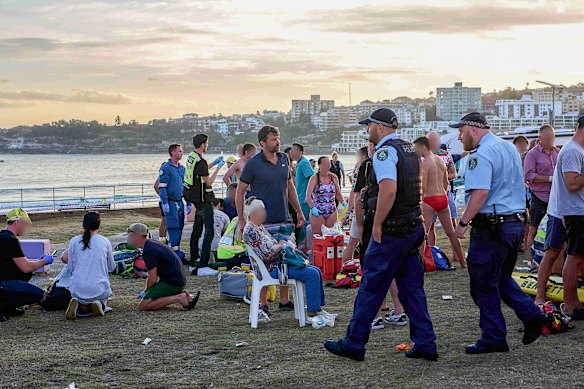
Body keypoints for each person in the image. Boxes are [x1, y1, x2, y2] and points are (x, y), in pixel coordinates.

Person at [325, 108, 437, 362]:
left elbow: (388, 190)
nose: (367, 131)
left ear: (381, 127)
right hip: (412, 226)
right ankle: (425, 343)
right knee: (412, 289)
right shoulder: (409, 150)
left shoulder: (384, 153)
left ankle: (354, 343)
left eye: (370, 126)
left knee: (371, 288)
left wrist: (376, 224)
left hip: (392, 231)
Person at [452, 112, 547, 354]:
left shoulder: (480, 154)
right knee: (500, 277)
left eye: (461, 131)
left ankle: (495, 335)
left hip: (492, 225)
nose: (459, 137)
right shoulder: (508, 148)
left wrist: (462, 223)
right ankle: (529, 315)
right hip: (513, 223)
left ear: (473, 130)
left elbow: (480, 193)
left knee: (483, 282)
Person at [236, 125, 306, 315]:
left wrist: (299, 211)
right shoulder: (253, 163)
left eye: (278, 137)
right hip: (262, 223)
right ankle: (263, 303)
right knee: (263, 262)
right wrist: (243, 221)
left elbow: (290, 186)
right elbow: (240, 191)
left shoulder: (284, 159)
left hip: (284, 218)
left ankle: (285, 301)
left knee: (287, 258)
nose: (278, 141)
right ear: (263, 143)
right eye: (274, 139)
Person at [242, 197, 335, 328]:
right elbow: (267, 255)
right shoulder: (251, 231)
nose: (264, 214)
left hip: (276, 265)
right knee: (311, 274)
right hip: (272, 269)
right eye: (261, 211)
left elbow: (270, 247)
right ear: (253, 214)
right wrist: (281, 246)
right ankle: (312, 313)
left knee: (315, 270)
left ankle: (317, 308)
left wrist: (284, 244)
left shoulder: (258, 227)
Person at [546, 115, 584, 319]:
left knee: (578, 257)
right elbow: (572, 182)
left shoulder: (576, 150)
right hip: (576, 212)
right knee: (574, 257)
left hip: (578, 210)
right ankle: (569, 305)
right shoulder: (572, 151)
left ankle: (574, 302)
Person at [414, 136, 466, 268]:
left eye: (417, 148)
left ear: (423, 147)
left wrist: (419, 200)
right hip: (442, 197)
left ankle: (420, 263)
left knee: (423, 233)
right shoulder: (440, 160)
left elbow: (423, 186)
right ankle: (462, 261)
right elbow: (445, 182)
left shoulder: (425, 163)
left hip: (430, 199)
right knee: (451, 232)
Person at [127, 223, 198, 311]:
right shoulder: (152, 243)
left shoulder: (149, 251)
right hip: (177, 280)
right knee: (152, 299)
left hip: (172, 282)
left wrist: (146, 291)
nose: (129, 239)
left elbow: (152, 278)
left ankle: (180, 297)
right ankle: (184, 295)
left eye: (130, 236)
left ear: (136, 236)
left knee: (143, 306)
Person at [0, 208, 54, 320]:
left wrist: (37, 262)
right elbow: (26, 267)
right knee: (42, 296)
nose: (26, 228)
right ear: (17, 222)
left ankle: (8, 307)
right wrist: (44, 261)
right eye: (25, 224)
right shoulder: (10, 240)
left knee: (25, 276)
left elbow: (21, 264)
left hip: (4, 281)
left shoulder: (3, 237)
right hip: (3, 286)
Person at [184, 134, 225, 276]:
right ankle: (203, 266)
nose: (207, 146)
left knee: (196, 232)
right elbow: (208, 182)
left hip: (195, 200)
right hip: (205, 199)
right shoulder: (200, 161)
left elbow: (200, 170)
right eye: (207, 143)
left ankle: (193, 262)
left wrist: (213, 163)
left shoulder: (191, 157)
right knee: (209, 232)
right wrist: (219, 169)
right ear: (203, 144)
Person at [65, 211, 115, 320]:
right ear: (99, 225)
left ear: (84, 224)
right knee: (102, 294)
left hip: (77, 288)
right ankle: (100, 305)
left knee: (82, 296)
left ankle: (79, 306)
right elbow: (112, 267)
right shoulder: (105, 241)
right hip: (99, 288)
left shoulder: (74, 241)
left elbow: (71, 268)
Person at [523, 125, 559, 270]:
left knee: (554, 229)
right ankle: (532, 261)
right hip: (539, 196)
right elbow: (528, 176)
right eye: (548, 138)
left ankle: (553, 263)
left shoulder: (558, 152)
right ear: (540, 138)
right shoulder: (532, 154)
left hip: (555, 197)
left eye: (552, 138)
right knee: (534, 229)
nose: (551, 141)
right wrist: (550, 178)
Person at [426, 132, 460, 256]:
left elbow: (454, 173)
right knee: (430, 226)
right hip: (429, 196)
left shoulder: (445, 154)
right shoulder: (423, 156)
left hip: (446, 193)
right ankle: (431, 254)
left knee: (452, 223)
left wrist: (443, 177)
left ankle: (457, 255)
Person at [158, 144, 190, 260]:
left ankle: (176, 250)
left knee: (180, 226)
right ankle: (174, 252)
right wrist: (165, 202)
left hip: (179, 201)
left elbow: (186, 186)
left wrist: (189, 202)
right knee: (173, 226)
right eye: (180, 151)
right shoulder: (166, 168)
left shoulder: (182, 169)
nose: (182, 153)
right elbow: (162, 186)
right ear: (173, 153)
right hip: (170, 202)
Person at [306, 156, 345, 237]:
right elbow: (308, 196)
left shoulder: (333, 177)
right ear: (319, 165)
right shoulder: (314, 178)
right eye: (324, 163)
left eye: (328, 164)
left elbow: (338, 193)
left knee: (330, 237)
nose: (327, 165)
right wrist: (312, 208)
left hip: (332, 210)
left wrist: (344, 203)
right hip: (318, 211)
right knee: (318, 237)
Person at [342, 146, 368, 263]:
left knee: (353, 242)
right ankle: (346, 268)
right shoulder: (363, 168)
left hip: (359, 208)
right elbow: (355, 192)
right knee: (355, 242)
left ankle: (345, 268)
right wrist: (348, 211)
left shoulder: (358, 168)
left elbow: (353, 191)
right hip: (362, 208)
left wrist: (349, 211)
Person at [289, 143, 314, 220]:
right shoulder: (298, 163)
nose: (292, 152)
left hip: (304, 200)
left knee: (304, 223)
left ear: (300, 152)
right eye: (291, 150)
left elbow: (312, 178)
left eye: (294, 150)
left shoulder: (304, 163)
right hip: (299, 197)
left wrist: (310, 195)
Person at [153, 177, 167, 241]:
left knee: (168, 221)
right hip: (163, 201)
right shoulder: (162, 174)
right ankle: (161, 238)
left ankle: (165, 237)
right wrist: (162, 195)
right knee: (164, 220)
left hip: (171, 200)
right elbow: (156, 186)